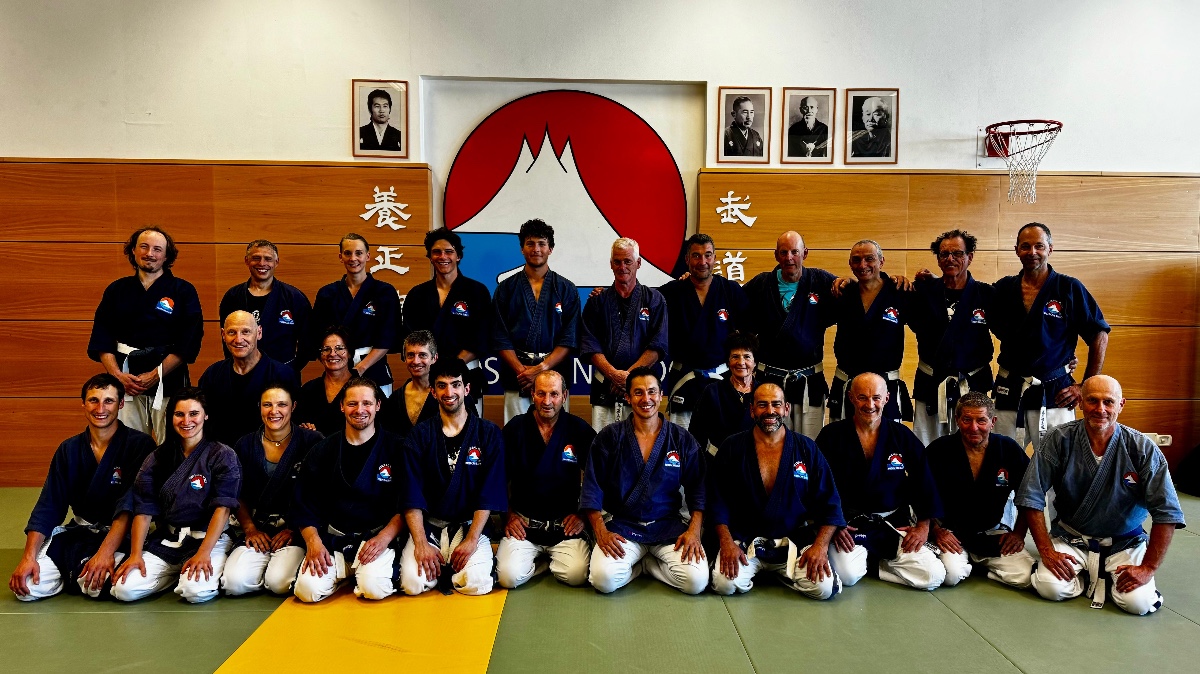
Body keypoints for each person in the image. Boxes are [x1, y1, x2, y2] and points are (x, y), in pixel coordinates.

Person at [1017, 375, 1185, 615]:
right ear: (1080, 403)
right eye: (1092, 401)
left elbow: (1167, 513)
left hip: (1125, 543)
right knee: (1049, 587)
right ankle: (1086, 575)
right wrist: (1047, 551)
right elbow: (1031, 495)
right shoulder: (1059, 439)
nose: (1100, 409)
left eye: (1108, 402)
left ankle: (1104, 575)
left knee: (1138, 603)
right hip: (1072, 538)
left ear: (1121, 405)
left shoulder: (1141, 448)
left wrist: (1148, 567)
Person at [9, 374, 156, 601]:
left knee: (111, 587)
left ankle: (76, 572)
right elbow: (49, 506)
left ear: (120, 404)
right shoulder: (69, 449)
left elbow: (129, 505)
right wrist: (28, 557)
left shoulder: (140, 445)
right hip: (80, 533)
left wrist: (105, 553)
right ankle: (76, 571)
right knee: (27, 588)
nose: (100, 408)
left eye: (108, 401)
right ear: (83, 404)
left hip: (122, 537)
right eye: (93, 400)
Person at [708, 383, 847, 599]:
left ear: (786, 409)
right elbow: (717, 500)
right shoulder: (732, 447)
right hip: (745, 540)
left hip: (794, 540)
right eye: (762, 405)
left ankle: (781, 572)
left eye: (776, 404)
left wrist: (820, 547)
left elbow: (830, 502)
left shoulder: (806, 448)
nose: (770, 411)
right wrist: (726, 542)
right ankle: (776, 573)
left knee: (823, 588)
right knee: (724, 584)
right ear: (752, 410)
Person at [581, 367, 708, 595]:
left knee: (696, 582)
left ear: (661, 395)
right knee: (603, 580)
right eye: (638, 392)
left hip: (667, 526)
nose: (646, 399)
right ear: (628, 398)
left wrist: (694, 531)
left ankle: (647, 566)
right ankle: (640, 565)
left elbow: (698, 489)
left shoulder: (681, 438)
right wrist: (601, 531)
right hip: (623, 526)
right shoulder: (610, 437)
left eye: (651, 392)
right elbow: (592, 487)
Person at [816, 374, 945, 590]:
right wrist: (832, 525)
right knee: (847, 576)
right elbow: (818, 486)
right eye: (862, 397)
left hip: (892, 524)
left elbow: (924, 480)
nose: (870, 405)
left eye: (876, 398)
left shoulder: (901, 435)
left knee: (934, 575)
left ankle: (873, 564)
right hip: (848, 526)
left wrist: (923, 526)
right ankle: (872, 562)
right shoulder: (831, 435)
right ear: (851, 398)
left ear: (886, 398)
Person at [111, 388, 240, 603]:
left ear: (206, 415)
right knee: (124, 589)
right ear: (170, 418)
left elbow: (223, 508)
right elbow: (144, 509)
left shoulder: (222, 454)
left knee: (194, 591)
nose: (186, 421)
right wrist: (135, 554)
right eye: (179, 414)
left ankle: (190, 575)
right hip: (169, 539)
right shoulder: (157, 457)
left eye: (194, 414)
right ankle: (173, 574)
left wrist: (203, 553)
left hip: (209, 539)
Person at [992, 223, 1110, 449]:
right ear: (1016, 250)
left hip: (1056, 392)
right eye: (1025, 246)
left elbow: (1099, 334)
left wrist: (1085, 385)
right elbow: (968, 299)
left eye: (1039, 246)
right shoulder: (1003, 289)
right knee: (1003, 459)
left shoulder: (1068, 287)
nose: (1032, 252)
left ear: (1050, 249)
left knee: (1057, 461)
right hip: (1010, 390)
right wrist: (935, 282)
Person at [292, 377, 406, 603]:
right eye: (352, 403)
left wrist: (384, 538)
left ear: (378, 406)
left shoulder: (397, 447)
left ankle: (361, 573)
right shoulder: (323, 450)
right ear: (342, 406)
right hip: (333, 540)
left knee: (373, 588)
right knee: (307, 590)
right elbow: (304, 504)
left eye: (367, 403)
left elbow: (408, 504)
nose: (360, 410)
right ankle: (345, 574)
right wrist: (314, 543)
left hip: (376, 539)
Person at [399, 359, 507, 596]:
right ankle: (442, 567)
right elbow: (411, 494)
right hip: (430, 528)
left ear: (466, 389)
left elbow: (489, 493)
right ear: (433, 392)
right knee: (412, 584)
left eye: (455, 385)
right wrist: (421, 544)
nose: (449, 393)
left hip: (470, 526)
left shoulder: (488, 433)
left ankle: (452, 568)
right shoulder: (419, 436)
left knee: (477, 583)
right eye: (442, 386)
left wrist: (472, 540)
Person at [89, 226, 203, 443]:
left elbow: (189, 340)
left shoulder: (183, 290)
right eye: (144, 247)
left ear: (167, 256)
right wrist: (117, 376)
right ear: (133, 250)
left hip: (168, 379)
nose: (150, 253)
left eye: (157, 249)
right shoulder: (117, 290)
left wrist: (156, 374)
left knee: (172, 443)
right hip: (126, 379)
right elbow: (102, 337)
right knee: (128, 444)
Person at [221, 384, 324, 597]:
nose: (274, 411)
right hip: (258, 528)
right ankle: (263, 566)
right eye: (267, 404)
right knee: (233, 583)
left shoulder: (311, 440)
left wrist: (296, 529)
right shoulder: (245, 444)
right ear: (259, 407)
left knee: (278, 583)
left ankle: (275, 570)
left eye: (282, 405)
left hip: (296, 530)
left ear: (293, 407)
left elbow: (321, 494)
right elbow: (237, 493)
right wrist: (250, 529)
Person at [496, 370, 597, 589]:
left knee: (577, 575)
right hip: (524, 526)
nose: (547, 401)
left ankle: (542, 562)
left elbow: (597, 477)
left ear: (564, 396)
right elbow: (497, 478)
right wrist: (508, 515)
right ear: (532, 394)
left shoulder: (578, 429)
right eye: (541, 394)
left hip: (564, 528)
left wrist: (583, 515)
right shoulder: (515, 428)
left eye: (554, 394)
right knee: (508, 577)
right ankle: (542, 562)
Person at [926, 392, 1035, 589]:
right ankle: (972, 563)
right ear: (957, 420)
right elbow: (920, 494)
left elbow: (1029, 495)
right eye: (967, 420)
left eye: (981, 420)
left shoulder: (1008, 449)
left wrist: (1019, 533)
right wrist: (935, 530)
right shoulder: (939, 450)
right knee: (951, 575)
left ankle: (979, 566)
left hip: (993, 533)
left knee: (1026, 576)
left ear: (993, 422)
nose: (973, 427)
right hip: (951, 534)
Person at [742, 231, 837, 438]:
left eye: (795, 252)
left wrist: (885, 282)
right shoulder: (761, 284)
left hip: (809, 382)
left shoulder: (820, 281)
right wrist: (691, 281)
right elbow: (730, 301)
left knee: (810, 443)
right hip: (769, 380)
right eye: (784, 252)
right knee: (770, 440)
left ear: (805, 253)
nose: (789, 258)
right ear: (776, 255)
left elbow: (857, 295)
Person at [908, 230, 997, 445]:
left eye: (957, 253)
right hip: (931, 383)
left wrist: (1067, 358)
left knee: (972, 444)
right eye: (944, 254)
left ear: (970, 257)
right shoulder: (921, 292)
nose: (950, 259)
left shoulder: (987, 294)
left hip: (972, 383)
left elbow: (1012, 333)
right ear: (938, 259)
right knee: (926, 448)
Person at [491, 219, 580, 423]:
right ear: (522, 248)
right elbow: (500, 336)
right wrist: (522, 372)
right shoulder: (506, 289)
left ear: (551, 249)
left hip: (555, 373)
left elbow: (569, 338)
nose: (536, 249)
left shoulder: (566, 289)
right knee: (516, 432)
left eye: (542, 243)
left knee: (556, 432)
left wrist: (541, 369)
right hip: (518, 376)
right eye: (530, 243)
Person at [659, 233, 748, 429]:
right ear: (687, 259)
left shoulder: (731, 290)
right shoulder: (672, 292)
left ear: (714, 258)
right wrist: (607, 293)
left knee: (723, 440)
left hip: (723, 381)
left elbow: (748, 334)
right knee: (683, 441)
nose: (703, 262)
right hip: (685, 379)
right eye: (696, 256)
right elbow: (640, 301)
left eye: (708, 255)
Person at [580, 238, 669, 431]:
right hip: (605, 386)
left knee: (641, 442)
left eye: (628, 261)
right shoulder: (597, 301)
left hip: (641, 390)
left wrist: (628, 378)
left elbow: (658, 346)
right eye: (617, 262)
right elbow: (589, 344)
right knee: (603, 443)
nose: (622, 267)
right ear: (611, 264)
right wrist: (613, 375)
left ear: (638, 263)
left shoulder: (654, 300)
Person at [402, 227, 492, 416]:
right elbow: (411, 338)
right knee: (428, 428)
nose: (443, 257)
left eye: (449, 251)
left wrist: (451, 367)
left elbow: (482, 337)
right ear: (430, 256)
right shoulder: (417, 295)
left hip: (465, 371)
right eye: (437, 252)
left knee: (468, 428)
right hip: (426, 376)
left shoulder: (477, 292)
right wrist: (432, 368)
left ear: (458, 256)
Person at [829, 240, 911, 423]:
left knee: (887, 439)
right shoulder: (843, 293)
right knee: (842, 439)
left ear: (881, 261)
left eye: (869, 259)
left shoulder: (899, 292)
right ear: (850, 264)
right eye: (856, 260)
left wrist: (931, 278)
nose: (862, 265)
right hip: (848, 384)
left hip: (885, 386)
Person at [309, 233, 401, 395]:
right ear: (340, 257)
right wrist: (338, 366)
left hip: (374, 369)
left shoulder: (385, 292)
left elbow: (388, 337)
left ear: (368, 256)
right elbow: (318, 336)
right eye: (347, 253)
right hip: (337, 369)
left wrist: (361, 368)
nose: (353, 258)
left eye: (359, 253)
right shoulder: (327, 294)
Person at [197, 310, 299, 447]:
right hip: (221, 455)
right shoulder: (212, 374)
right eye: (232, 332)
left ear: (259, 333)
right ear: (223, 335)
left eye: (246, 332)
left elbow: (294, 424)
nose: (239, 339)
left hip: (269, 454)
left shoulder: (283, 375)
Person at [218, 239, 312, 369]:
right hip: (242, 372)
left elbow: (307, 342)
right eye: (256, 258)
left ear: (276, 262)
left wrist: (290, 370)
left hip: (283, 372)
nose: (262, 263)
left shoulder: (294, 297)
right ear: (247, 261)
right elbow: (227, 341)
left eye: (268, 259)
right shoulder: (232, 297)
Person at [689, 331, 758, 455]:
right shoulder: (712, 391)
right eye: (735, 357)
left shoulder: (764, 392)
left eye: (747, 357)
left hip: (755, 461)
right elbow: (696, 435)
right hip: (718, 460)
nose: (741, 362)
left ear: (755, 362)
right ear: (728, 362)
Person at [296, 327, 356, 437]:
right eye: (326, 349)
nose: (332, 354)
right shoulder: (308, 389)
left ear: (349, 353)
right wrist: (304, 429)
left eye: (339, 348)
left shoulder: (365, 389)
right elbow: (296, 426)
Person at [380, 330, 441, 438]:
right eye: (410, 355)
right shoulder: (394, 399)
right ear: (405, 358)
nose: (416, 361)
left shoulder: (448, 394)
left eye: (422, 355)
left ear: (434, 358)